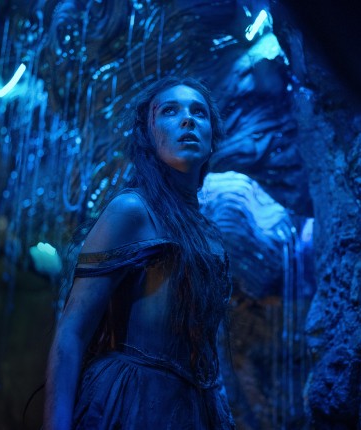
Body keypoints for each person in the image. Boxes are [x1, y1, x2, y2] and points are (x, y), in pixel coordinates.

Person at [44, 77, 236, 430]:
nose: (187, 119)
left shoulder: (209, 234)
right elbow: (73, 330)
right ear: (148, 134)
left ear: (213, 138)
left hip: (192, 409)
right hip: (128, 402)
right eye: (169, 111)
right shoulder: (131, 210)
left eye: (199, 112)